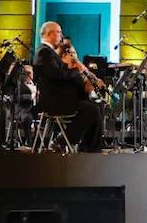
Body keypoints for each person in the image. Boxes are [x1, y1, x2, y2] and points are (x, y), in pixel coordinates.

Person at [33, 21, 103, 152]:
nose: (61, 36)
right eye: (59, 32)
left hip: (61, 99)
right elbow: (55, 74)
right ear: (49, 34)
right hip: (54, 101)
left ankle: (90, 148)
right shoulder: (44, 52)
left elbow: (61, 74)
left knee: (95, 107)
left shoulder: (48, 52)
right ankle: (62, 141)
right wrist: (77, 71)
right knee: (91, 109)